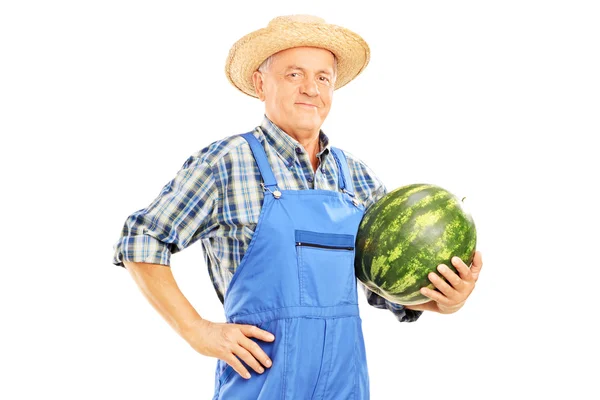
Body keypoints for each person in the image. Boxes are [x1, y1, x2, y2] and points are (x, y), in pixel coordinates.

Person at [112, 14, 483, 399]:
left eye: (323, 77)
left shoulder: (356, 177)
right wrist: (197, 331)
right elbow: (142, 238)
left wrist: (446, 300)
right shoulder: (227, 162)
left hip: (345, 385)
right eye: (293, 74)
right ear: (260, 83)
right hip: (261, 382)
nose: (311, 89)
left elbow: (385, 287)